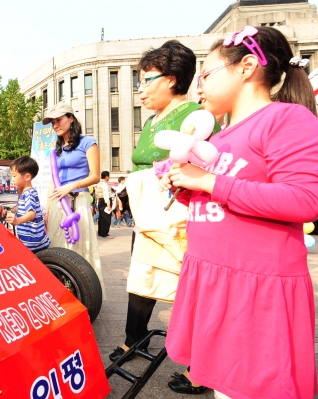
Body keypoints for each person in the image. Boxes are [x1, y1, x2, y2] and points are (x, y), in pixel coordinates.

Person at [162, 26, 318, 399]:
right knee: (226, 390)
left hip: (257, 290)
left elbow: (305, 199)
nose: (198, 86)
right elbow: (226, 200)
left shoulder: (287, 119)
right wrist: (187, 189)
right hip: (215, 281)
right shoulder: (218, 137)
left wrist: (209, 183)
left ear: (247, 66)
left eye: (206, 75)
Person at [109, 40, 220, 396]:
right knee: (143, 275)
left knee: (190, 287)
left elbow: (200, 163)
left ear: (172, 79)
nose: (140, 89)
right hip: (148, 213)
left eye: (147, 80)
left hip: (176, 213)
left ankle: (201, 366)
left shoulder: (192, 116)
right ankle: (134, 340)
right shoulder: (154, 118)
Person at [43, 102, 105, 295]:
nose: (55, 125)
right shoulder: (57, 149)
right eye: (52, 122)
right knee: (58, 246)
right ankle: (60, 291)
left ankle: (85, 292)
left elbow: (95, 176)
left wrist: (72, 185)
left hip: (79, 201)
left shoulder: (88, 142)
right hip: (57, 204)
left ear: (71, 118)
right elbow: (54, 180)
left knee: (80, 246)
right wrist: (47, 209)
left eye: (59, 120)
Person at [5, 156, 50, 252]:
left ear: (27, 177)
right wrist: (12, 210)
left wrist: (17, 221)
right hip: (32, 240)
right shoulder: (26, 193)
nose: (12, 179)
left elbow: (31, 214)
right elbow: (23, 208)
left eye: (14, 176)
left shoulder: (29, 194)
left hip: (31, 242)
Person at [95, 171, 113, 238]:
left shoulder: (99, 183)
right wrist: (108, 204)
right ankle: (105, 233)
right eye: (109, 176)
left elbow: (96, 193)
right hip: (105, 201)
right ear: (106, 176)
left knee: (101, 217)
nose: (109, 177)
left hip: (100, 201)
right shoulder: (105, 184)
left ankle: (100, 232)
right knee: (106, 217)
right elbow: (106, 194)